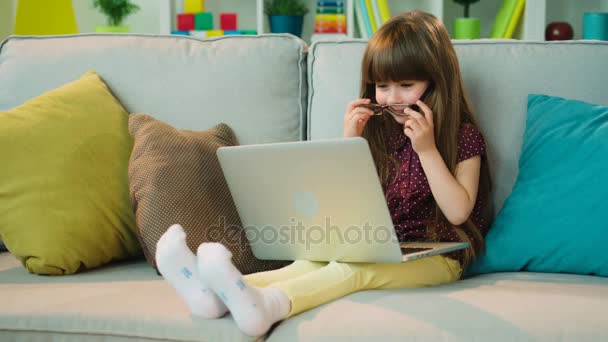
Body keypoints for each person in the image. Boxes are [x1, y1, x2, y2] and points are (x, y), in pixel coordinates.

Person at [155, 10, 491, 337]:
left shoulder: (463, 136)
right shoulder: (381, 132)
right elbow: (344, 203)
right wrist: (350, 143)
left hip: (441, 258)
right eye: (382, 86)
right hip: (381, 245)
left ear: (436, 83)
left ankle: (270, 306)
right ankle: (208, 292)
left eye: (406, 85)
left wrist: (427, 150)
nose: (392, 98)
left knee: (352, 272)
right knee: (308, 263)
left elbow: (458, 211)